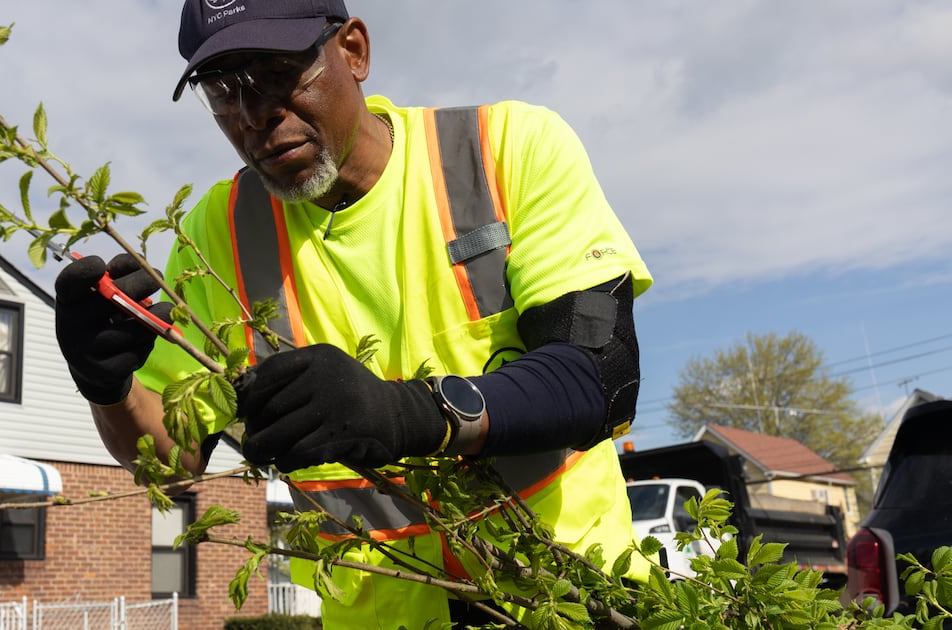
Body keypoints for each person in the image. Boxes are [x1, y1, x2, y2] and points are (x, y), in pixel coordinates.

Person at [53, 1, 653, 627]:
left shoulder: (504, 150)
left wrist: (402, 413)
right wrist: (106, 384)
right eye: (224, 91)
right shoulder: (216, 234)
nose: (255, 114)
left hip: (570, 601)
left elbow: (602, 377)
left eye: (278, 72)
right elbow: (173, 463)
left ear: (354, 51)